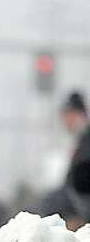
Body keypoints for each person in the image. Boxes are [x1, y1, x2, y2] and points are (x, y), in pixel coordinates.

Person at [39, 91, 89, 225]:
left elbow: (80, 181)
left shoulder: (86, 142)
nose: (66, 121)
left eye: (70, 116)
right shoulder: (81, 141)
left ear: (81, 115)